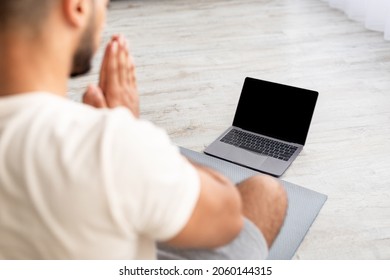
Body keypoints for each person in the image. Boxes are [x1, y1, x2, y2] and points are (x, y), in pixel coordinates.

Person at [0, 0, 287, 260]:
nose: (103, 17)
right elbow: (229, 216)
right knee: (265, 191)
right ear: (76, 7)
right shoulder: (108, 145)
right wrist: (131, 127)